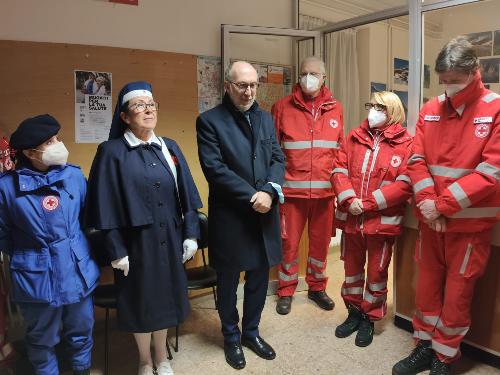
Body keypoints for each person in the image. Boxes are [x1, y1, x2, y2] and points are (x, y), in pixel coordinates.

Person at [393, 37, 500, 375]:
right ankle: (423, 346)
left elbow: (491, 172)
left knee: (457, 294)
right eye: (444, 80)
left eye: (455, 80)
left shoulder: (495, 109)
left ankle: (444, 356)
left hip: (468, 227)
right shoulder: (430, 108)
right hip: (431, 222)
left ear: (475, 71)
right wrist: (427, 204)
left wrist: (441, 206)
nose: (448, 87)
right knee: (425, 288)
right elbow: (416, 160)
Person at [85, 81, 202, 375]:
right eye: (139, 105)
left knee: (164, 299)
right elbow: (104, 205)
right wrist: (116, 250)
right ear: (124, 116)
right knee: (141, 302)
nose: (148, 110)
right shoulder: (111, 152)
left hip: (170, 237)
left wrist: (191, 233)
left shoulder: (170, 146)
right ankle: (144, 360)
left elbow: (186, 192)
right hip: (135, 244)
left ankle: (162, 356)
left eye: (151, 105)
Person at [196, 61, 285, 370]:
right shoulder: (209, 121)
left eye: (253, 85)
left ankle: (251, 333)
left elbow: (277, 158)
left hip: (264, 215)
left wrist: (271, 191)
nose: (249, 91)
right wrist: (253, 196)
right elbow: (215, 170)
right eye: (242, 85)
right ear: (227, 86)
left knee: (259, 278)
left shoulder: (265, 118)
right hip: (233, 217)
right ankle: (231, 337)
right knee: (229, 281)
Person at [0, 114, 99, 375]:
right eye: (49, 141)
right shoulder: (6, 188)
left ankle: (81, 370)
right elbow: (3, 236)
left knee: (82, 329)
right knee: (42, 339)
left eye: (57, 137)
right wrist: (32, 255)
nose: (58, 144)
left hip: (77, 270)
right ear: (31, 153)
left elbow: (87, 218)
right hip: (36, 278)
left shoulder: (74, 176)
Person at [331, 91, 412, 347]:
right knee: (351, 272)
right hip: (352, 219)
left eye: (380, 107)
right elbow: (338, 169)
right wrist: (349, 200)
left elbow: (404, 184)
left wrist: (366, 204)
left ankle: (369, 317)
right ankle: (353, 313)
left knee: (377, 274)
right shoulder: (354, 136)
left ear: (393, 112)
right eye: (371, 105)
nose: (373, 110)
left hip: (382, 223)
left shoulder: (406, 143)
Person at [271, 56, 344, 315]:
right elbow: (273, 151)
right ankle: (286, 289)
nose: (308, 78)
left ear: (324, 78)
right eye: (303, 73)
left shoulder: (336, 108)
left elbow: (340, 151)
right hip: (292, 192)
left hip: (325, 194)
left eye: (313, 74)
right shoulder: (282, 107)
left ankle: (316, 287)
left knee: (320, 245)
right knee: (288, 245)